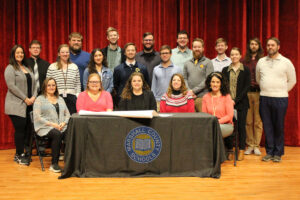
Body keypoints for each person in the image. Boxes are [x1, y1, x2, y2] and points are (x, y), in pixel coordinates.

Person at [256, 37, 296, 162]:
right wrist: (266, 89)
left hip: (280, 99)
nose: (270, 47)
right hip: (264, 98)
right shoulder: (261, 61)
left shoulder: (286, 62)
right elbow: (258, 79)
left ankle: (278, 153)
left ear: (278, 47)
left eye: (273, 45)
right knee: (267, 126)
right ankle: (269, 152)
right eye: (268, 45)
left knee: (278, 126)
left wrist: (282, 91)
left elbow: (292, 80)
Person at [4, 45, 37, 165]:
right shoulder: (10, 68)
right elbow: (11, 86)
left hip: (29, 104)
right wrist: (25, 98)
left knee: (28, 130)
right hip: (16, 105)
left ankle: (25, 152)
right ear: (13, 54)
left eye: (22, 53)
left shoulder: (27, 68)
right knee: (20, 130)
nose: (20, 55)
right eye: (17, 53)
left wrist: (33, 97)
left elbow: (35, 84)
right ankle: (18, 155)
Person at [33, 77, 70, 173]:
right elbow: (37, 117)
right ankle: (54, 164)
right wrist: (52, 124)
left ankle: (70, 162)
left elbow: (68, 114)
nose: (51, 87)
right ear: (45, 87)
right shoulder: (39, 99)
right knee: (57, 134)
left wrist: (64, 123)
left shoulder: (60, 99)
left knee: (71, 133)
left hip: (60, 126)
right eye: (49, 85)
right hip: (45, 127)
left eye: (53, 85)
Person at [222, 47, 251, 161]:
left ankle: (242, 149)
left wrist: (236, 100)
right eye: (232, 54)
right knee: (230, 127)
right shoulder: (225, 70)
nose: (234, 56)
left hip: (242, 103)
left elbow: (246, 87)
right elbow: (223, 86)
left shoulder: (246, 70)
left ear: (240, 56)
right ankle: (230, 149)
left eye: (236, 54)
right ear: (230, 56)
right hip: (228, 103)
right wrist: (229, 100)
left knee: (241, 127)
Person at [202, 72, 234, 159]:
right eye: (213, 82)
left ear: (221, 84)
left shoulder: (226, 97)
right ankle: (208, 154)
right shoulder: (205, 97)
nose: (215, 84)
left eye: (217, 82)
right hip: (210, 123)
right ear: (209, 83)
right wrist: (211, 122)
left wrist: (216, 122)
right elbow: (204, 115)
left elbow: (230, 116)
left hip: (225, 124)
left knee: (215, 128)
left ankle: (218, 155)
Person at [242, 38, 264, 156]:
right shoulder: (244, 60)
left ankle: (256, 145)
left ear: (259, 46)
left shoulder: (263, 60)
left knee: (258, 121)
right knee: (248, 121)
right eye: (252, 44)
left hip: (259, 93)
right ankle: (250, 145)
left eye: (256, 44)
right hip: (247, 93)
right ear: (249, 46)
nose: (253, 46)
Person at [47, 44, 81, 115]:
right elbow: (47, 84)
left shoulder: (74, 67)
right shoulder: (52, 67)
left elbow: (78, 84)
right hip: (57, 98)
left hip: (72, 99)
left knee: (72, 121)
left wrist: (77, 96)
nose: (65, 54)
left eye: (67, 52)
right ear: (59, 54)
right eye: (62, 52)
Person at [183, 38, 214, 112]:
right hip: (189, 98)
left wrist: (193, 91)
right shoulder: (187, 63)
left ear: (203, 48)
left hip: (202, 98)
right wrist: (189, 91)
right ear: (192, 48)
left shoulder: (208, 62)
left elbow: (208, 80)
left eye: (199, 47)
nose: (197, 49)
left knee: (203, 121)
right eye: (195, 47)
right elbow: (184, 78)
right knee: (190, 121)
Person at [152, 45, 182, 111]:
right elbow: (153, 87)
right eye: (162, 53)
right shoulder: (156, 69)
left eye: (166, 53)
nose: (164, 55)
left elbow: (182, 86)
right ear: (160, 55)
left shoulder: (177, 69)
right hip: (159, 101)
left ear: (170, 54)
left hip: (174, 101)